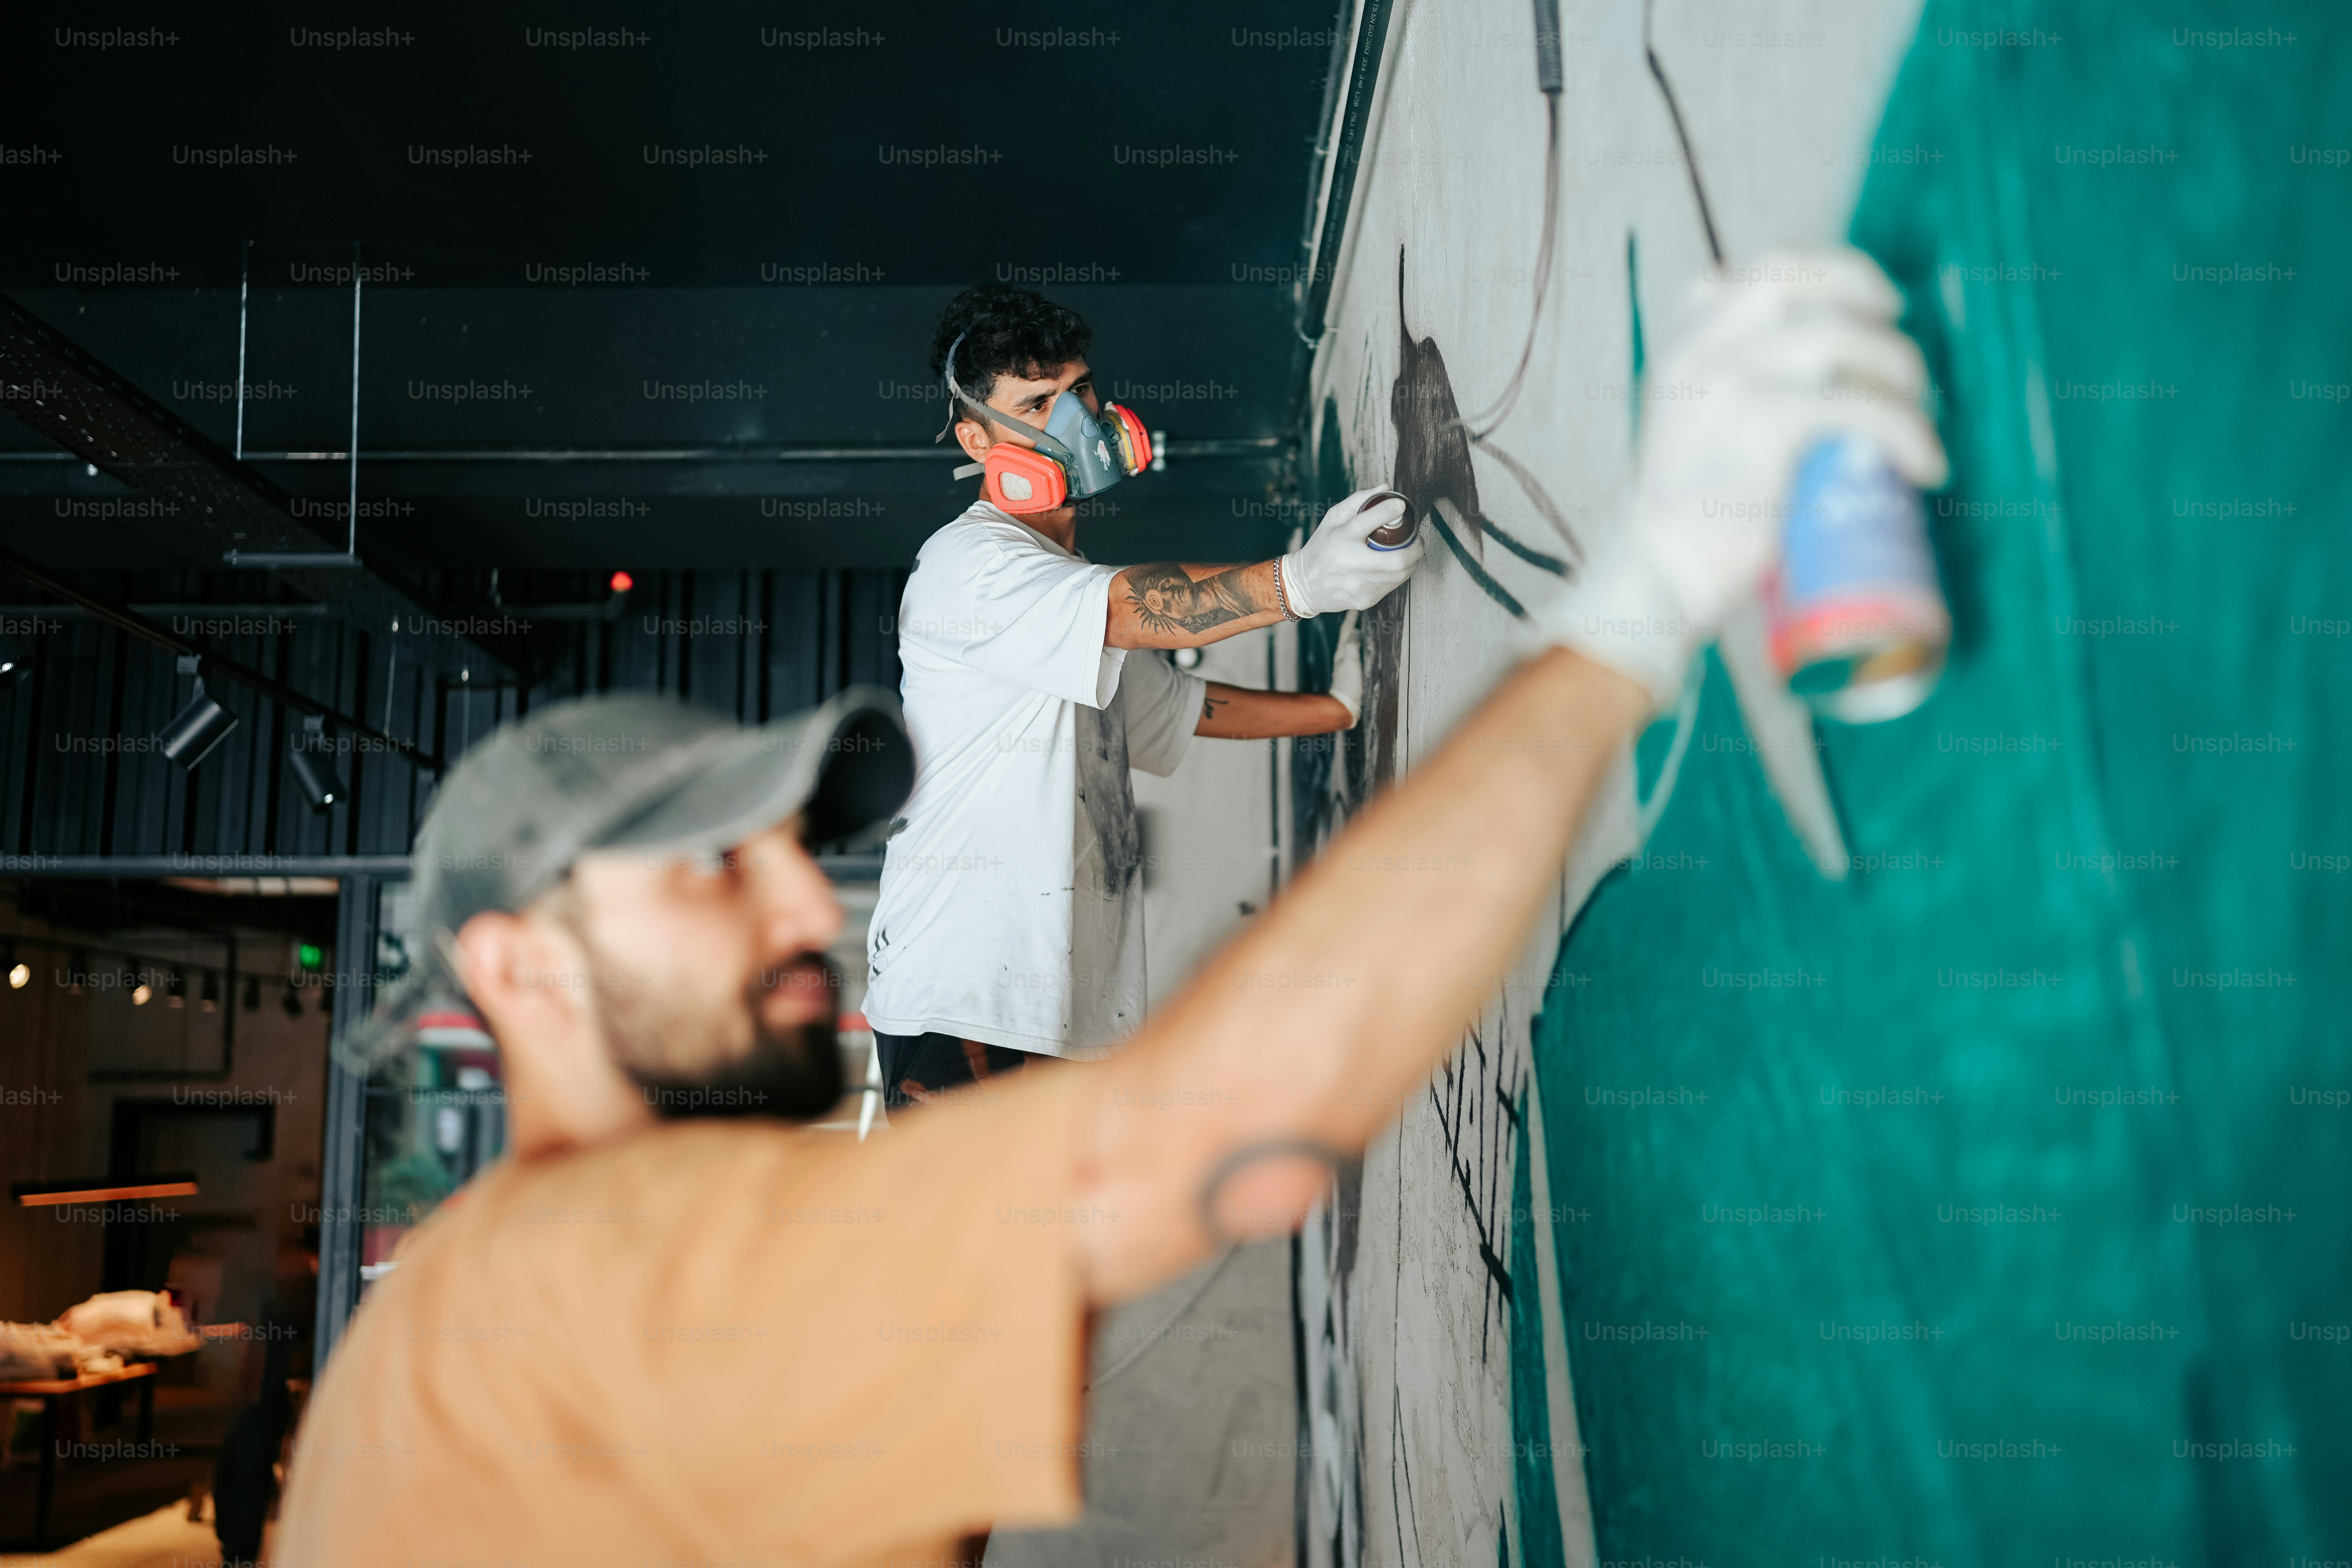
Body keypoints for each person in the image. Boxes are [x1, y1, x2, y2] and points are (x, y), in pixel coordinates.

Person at [274, 249, 1943, 1568]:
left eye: (789, 841)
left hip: (1028, 1008)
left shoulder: (599, 1282)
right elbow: (1227, 1112)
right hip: (982, 1000)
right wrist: (1634, 600)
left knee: (969, 1371)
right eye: (716, 864)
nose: (800, 898)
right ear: (515, 967)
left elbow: (1172, 701)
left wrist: (1341, 702)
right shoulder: (564, 1276)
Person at [861, 284, 1421, 1106]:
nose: (1074, 417)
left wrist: (1335, 710)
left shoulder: (1064, 597)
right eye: (1038, 400)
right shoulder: (969, 567)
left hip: (1061, 1018)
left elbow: (1183, 706)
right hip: (963, 1005)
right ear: (980, 440)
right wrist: (1301, 583)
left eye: (1079, 388)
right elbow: (1139, 607)